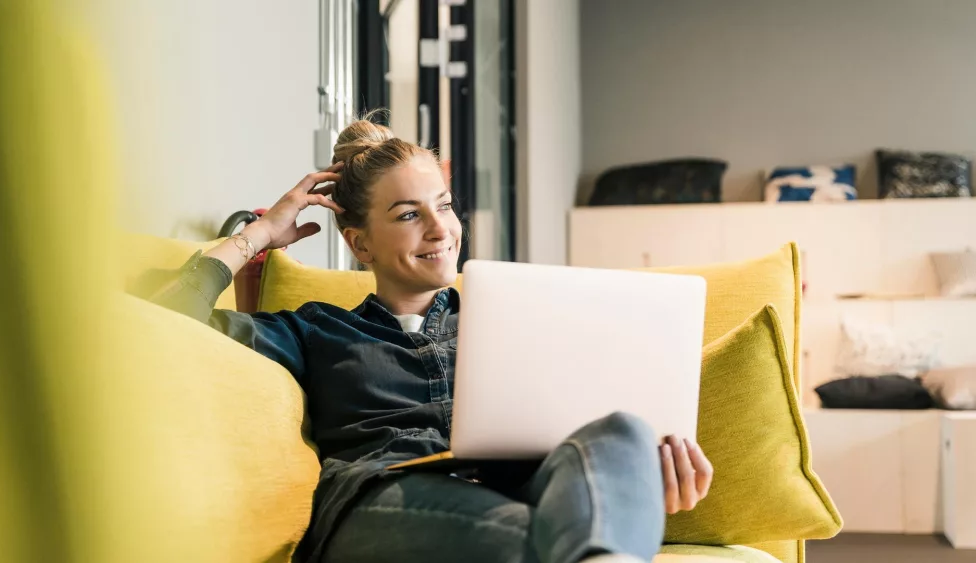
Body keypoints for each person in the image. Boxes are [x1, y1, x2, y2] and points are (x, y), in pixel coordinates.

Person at [150, 115, 713, 563]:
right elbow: (165, 324)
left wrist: (637, 481)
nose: (440, 228)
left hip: (515, 487)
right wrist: (260, 235)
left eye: (443, 205)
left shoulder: (514, 318)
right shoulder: (314, 329)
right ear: (360, 244)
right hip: (383, 498)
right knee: (541, 543)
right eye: (407, 215)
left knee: (624, 431)